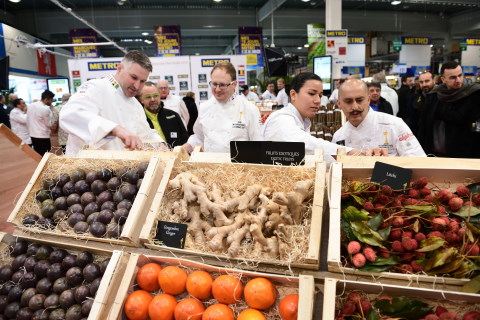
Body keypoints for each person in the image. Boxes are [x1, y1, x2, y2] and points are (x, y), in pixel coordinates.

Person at [262, 72, 387, 161]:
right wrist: (350, 152)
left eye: (320, 95)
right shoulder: (281, 118)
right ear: (293, 95)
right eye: (312, 94)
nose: (318, 101)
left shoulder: (303, 121)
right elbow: (303, 144)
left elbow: (318, 155)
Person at [60, 50, 165, 155]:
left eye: (142, 81)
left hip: (122, 168)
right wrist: (115, 129)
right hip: (86, 167)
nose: (137, 86)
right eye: (133, 77)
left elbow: (145, 134)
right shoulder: (95, 87)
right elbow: (70, 114)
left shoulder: (135, 104)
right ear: (120, 68)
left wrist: (159, 144)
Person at [333, 79, 426, 157]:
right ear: (339, 104)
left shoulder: (395, 125)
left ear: (368, 100)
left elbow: (419, 163)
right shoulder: (339, 136)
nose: (355, 107)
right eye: (348, 101)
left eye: (359, 100)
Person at [183, 62, 262, 153]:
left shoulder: (249, 109)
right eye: (214, 84)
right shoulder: (205, 107)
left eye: (222, 85)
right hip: (210, 165)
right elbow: (199, 137)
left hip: (238, 166)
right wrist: (187, 146)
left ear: (234, 84)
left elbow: (258, 144)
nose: (217, 89)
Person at [418, 61, 480, 158]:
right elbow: (424, 125)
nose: (458, 80)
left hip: (465, 153)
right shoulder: (434, 95)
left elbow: (459, 117)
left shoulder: (472, 93)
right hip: (434, 153)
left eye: (460, 75)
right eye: (453, 77)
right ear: (443, 79)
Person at [140, 81, 188, 147]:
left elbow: (185, 141)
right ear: (141, 99)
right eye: (148, 97)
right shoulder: (138, 119)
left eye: (156, 95)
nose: (153, 99)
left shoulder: (173, 115)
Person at [27, 90, 54, 155]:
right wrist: (52, 112)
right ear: (46, 99)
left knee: (37, 154)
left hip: (32, 134)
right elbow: (49, 123)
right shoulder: (45, 109)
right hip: (42, 135)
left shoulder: (31, 105)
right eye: (51, 100)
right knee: (46, 155)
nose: (52, 102)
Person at [408, 71, 435, 136]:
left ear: (433, 80)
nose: (424, 84)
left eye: (427, 81)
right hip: (420, 137)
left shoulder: (441, 97)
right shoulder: (414, 99)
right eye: (421, 82)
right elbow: (412, 121)